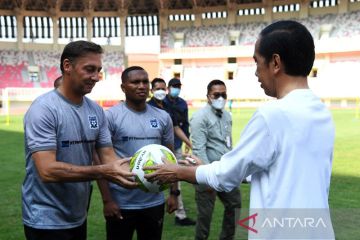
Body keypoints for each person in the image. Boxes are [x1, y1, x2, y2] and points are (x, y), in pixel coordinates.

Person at [145, 21, 335, 238]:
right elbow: (280, 171)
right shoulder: (322, 113)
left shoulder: (272, 115)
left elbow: (225, 175)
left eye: (257, 62)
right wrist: (211, 166)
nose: (256, 73)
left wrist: (177, 171)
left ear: (275, 63)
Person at [22, 40, 136, 240]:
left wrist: (147, 171)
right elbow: (47, 170)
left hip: (78, 214)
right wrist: (103, 171)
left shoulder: (96, 111)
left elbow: (109, 157)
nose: (96, 77)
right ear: (67, 66)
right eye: (90, 69)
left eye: (99, 70)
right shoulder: (44, 109)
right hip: (45, 219)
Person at [96, 66, 179, 240]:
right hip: (121, 203)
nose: (141, 86)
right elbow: (100, 163)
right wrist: (107, 200)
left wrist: (173, 193)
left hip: (154, 201)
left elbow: (171, 158)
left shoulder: (163, 117)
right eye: (135, 82)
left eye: (145, 81)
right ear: (123, 87)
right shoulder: (110, 117)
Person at [190, 79, 241, 240]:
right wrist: (207, 177)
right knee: (205, 216)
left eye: (223, 94)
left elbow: (228, 143)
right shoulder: (199, 117)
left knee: (235, 206)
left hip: (226, 171)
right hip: (207, 171)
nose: (220, 98)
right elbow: (199, 149)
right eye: (216, 95)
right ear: (208, 96)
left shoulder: (227, 115)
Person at [163, 77, 196, 226]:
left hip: (175, 144)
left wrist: (186, 140)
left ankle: (180, 213)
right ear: (168, 88)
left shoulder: (182, 103)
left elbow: (184, 124)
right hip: (161, 144)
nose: (176, 88)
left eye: (178, 86)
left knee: (175, 178)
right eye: (174, 86)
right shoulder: (162, 102)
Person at [148, 78, 192, 152]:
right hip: (154, 148)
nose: (160, 91)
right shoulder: (147, 107)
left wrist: (188, 143)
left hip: (172, 147)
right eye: (158, 89)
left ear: (166, 90)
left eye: (163, 89)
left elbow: (176, 127)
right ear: (152, 90)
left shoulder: (169, 106)